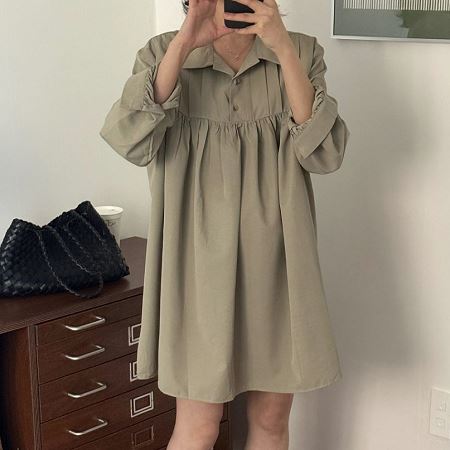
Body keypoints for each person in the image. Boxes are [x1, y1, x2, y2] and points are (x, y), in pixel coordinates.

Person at [99, 0, 350, 448]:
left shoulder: (301, 51)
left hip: (279, 262)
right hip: (194, 265)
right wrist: (185, 41)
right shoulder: (163, 52)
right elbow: (129, 138)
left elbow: (323, 153)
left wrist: (283, 48)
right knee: (199, 424)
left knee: (271, 418)